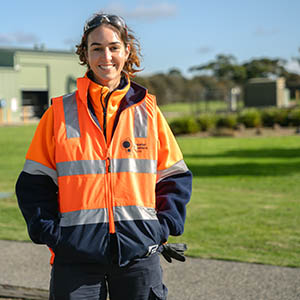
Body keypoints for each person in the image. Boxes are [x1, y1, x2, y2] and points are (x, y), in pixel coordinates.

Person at [16, 12, 192, 300]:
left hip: (139, 256)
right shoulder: (58, 113)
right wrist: (54, 235)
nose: (106, 56)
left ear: (127, 51)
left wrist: (161, 228)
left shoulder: (148, 112)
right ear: (84, 54)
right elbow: (34, 182)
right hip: (75, 259)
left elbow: (175, 176)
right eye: (96, 48)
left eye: (113, 47)